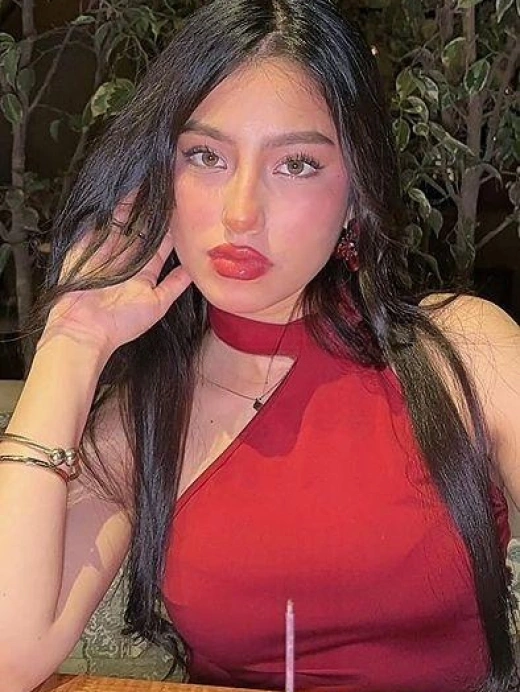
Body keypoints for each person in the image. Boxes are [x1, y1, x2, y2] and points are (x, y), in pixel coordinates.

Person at [0, 0, 519, 690]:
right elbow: (7, 657)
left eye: (296, 164)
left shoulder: (466, 353)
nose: (241, 212)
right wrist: (72, 340)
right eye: (206, 156)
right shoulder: (147, 416)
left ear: (355, 195)